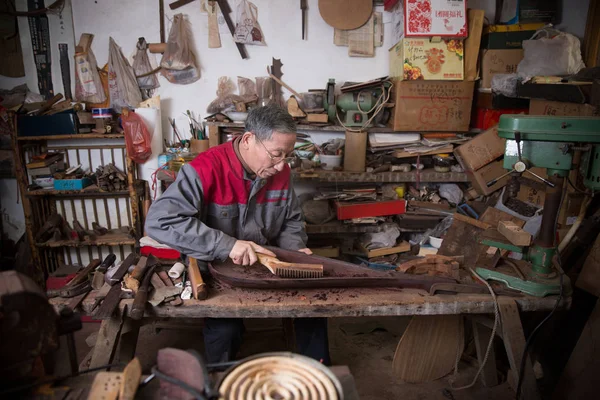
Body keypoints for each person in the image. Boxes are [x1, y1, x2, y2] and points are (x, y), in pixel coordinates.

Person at [145, 105, 330, 364]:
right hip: (216, 268)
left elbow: (291, 220)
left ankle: (317, 380)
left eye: (287, 156)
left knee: (312, 311)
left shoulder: (280, 172)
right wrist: (226, 245)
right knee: (225, 330)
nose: (281, 166)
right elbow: (159, 221)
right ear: (248, 140)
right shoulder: (205, 169)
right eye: (276, 154)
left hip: (266, 265)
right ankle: (223, 381)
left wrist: (294, 251)